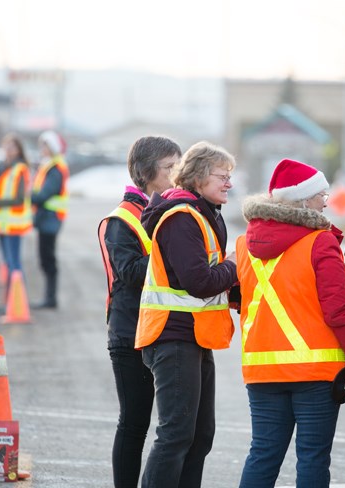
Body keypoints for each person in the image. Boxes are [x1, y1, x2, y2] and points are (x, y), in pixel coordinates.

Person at [235, 158, 345, 488]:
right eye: (321, 194)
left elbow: (240, 300)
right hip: (316, 372)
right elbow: (338, 310)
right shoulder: (319, 242)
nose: (326, 201)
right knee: (312, 456)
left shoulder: (243, 245)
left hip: (262, 369)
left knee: (263, 453)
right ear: (303, 200)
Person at [135, 141, 238, 488]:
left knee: (199, 435)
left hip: (192, 336)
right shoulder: (182, 218)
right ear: (197, 177)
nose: (229, 183)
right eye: (222, 176)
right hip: (173, 337)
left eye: (230, 177)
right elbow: (199, 281)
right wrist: (234, 267)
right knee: (177, 434)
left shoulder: (203, 214)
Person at [97, 136, 182, 487]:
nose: (177, 174)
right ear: (147, 174)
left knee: (174, 428)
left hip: (161, 331)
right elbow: (130, 273)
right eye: (169, 168)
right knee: (134, 423)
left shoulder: (173, 209)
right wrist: (175, 252)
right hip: (129, 333)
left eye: (179, 165)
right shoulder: (121, 220)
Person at [0, 133, 32, 301]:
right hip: (3, 224)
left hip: (13, 224)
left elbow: (18, 199)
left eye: (12, 146)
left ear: (18, 150)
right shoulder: (3, 168)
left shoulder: (20, 169)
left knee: (14, 264)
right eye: (6, 146)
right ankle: (13, 300)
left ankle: (17, 302)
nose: (8, 150)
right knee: (9, 263)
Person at [30, 131, 70, 309]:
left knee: (48, 258)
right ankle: (49, 297)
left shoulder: (55, 167)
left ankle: (50, 298)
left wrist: (28, 196)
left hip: (50, 218)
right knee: (46, 258)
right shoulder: (50, 165)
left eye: (45, 145)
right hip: (47, 218)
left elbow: (46, 193)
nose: (42, 149)